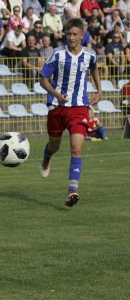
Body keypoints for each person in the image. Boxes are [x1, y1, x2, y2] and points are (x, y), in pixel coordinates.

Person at [39, 18, 102, 207]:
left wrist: (99, 91)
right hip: (57, 108)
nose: (71, 37)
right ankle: (47, 158)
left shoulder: (90, 55)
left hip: (79, 107)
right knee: (55, 145)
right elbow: (43, 79)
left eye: (75, 34)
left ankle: (72, 190)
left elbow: (94, 70)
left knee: (76, 148)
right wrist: (56, 95)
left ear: (82, 35)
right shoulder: (57, 54)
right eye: (68, 34)